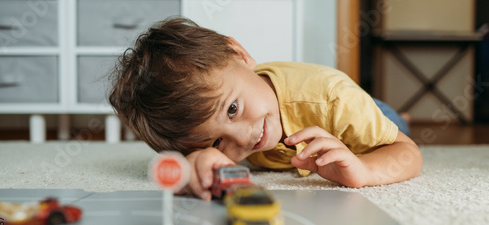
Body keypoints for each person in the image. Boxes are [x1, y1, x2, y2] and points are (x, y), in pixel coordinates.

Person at [109, 17, 422, 200]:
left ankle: (402, 116)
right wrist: (197, 161)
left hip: (361, 113)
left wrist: (363, 170)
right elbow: (184, 162)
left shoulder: (332, 98)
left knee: (392, 126)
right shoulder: (203, 127)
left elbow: (407, 154)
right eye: (216, 142)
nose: (242, 137)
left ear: (240, 54)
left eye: (232, 109)